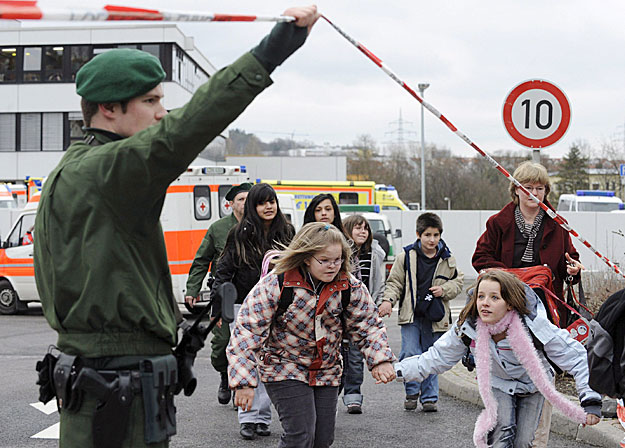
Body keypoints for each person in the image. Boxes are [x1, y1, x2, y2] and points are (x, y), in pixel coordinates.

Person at [32, 6, 319, 447]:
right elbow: (194, 122)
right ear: (108, 108)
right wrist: (277, 46)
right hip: (118, 388)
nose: (163, 112)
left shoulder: (69, 172)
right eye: (150, 101)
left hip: (99, 381)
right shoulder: (112, 168)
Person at [227, 222, 396, 447]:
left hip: (326, 369)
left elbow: (368, 324)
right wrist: (244, 382)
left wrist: (380, 360)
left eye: (337, 260)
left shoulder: (349, 286)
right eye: (324, 261)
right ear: (307, 257)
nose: (332, 266)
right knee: (300, 434)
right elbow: (247, 331)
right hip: (284, 366)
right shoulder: (276, 283)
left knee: (322, 439)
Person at [394, 270, 601, 448]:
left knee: (523, 442)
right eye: (481, 296)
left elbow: (576, 357)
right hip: (499, 383)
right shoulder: (469, 327)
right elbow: (437, 357)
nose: (485, 303)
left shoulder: (534, 325)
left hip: (534, 385)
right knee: (502, 432)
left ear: (510, 304)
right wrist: (398, 370)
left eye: (495, 298)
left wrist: (590, 400)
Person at [471, 161, 584, 446]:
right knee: (505, 372)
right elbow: (480, 259)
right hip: (505, 311)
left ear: (547, 191)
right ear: (516, 190)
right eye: (528, 187)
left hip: (544, 312)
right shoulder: (498, 222)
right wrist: (511, 280)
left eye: (540, 188)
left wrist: (572, 270)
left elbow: (568, 263)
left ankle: (538, 442)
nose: (534, 193)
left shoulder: (558, 224)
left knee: (543, 371)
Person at [211, 182, 295, 440]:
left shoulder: (287, 232)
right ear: (252, 206)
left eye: (271, 201)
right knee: (246, 361)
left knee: (268, 363)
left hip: (278, 308)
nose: (268, 207)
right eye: (262, 202)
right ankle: (247, 419)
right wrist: (219, 309)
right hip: (243, 307)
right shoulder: (239, 234)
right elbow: (222, 272)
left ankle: (262, 418)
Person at [379, 212, 464, 412]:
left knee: (432, 356)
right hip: (411, 315)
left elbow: (458, 282)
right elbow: (395, 283)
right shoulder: (406, 257)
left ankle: (429, 398)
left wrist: (444, 290)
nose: (432, 240)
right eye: (427, 235)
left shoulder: (447, 258)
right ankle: (411, 390)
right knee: (410, 353)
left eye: (436, 235)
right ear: (419, 234)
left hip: (435, 316)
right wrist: (387, 301)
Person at [185, 182, 252, 405]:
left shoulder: (262, 227)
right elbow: (202, 260)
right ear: (230, 203)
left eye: (248, 198)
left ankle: (241, 387)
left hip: (252, 296)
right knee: (221, 345)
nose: (245, 202)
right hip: (224, 295)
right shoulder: (218, 228)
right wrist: (193, 289)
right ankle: (225, 375)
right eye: (240, 199)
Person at [340, 214, 386, 414]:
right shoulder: (340, 253)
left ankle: (353, 396)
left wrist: (379, 303)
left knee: (356, 357)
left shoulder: (374, 253)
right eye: (357, 228)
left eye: (365, 228)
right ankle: (331, 393)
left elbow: (379, 282)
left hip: (362, 312)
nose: (362, 232)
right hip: (340, 312)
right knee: (338, 356)